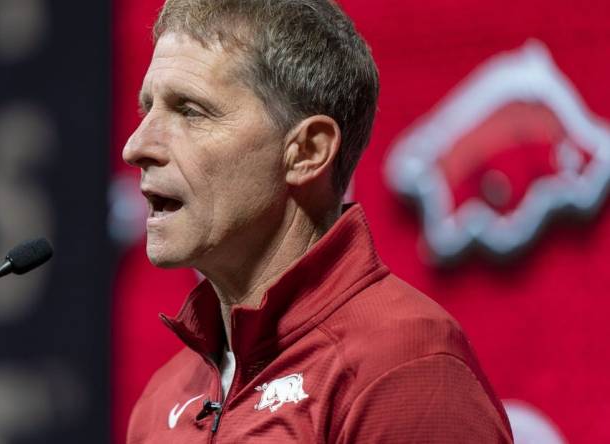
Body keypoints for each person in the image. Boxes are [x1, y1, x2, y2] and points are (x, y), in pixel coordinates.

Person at [121, 0, 513, 442]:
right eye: (146, 109)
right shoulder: (163, 399)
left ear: (307, 152)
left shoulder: (404, 370)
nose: (135, 146)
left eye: (190, 111)